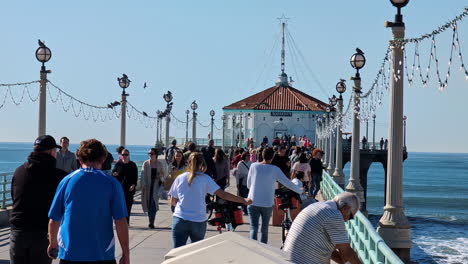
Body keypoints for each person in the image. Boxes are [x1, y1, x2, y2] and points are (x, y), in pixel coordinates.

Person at [48, 139, 129, 264]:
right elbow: (120, 221)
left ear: (79, 160)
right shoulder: (112, 183)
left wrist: (53, 244)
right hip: (102, 254)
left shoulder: (67, 181)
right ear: (102, 159)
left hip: (70, 254)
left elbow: (54, 219)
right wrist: (125, 253)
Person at [168, 152, 252, 248]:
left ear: (188, 162)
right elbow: (223, 194)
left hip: (180, 219)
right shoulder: (205, 179)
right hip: (198, 220)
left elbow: (173, 201)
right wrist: (244, 200)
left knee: (176, 253)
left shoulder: (180, 178)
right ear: (202, 164)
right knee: (196, 253)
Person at [10, 135, 67, 264]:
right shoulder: (58, 176)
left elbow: (14, 197)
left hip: (17, 232)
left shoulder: (19, 172)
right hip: (42, 232)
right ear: (51, 152)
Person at [283, 192, 361, 264]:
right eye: (350, 216)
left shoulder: (317, 206)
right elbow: (347, 253)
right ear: (345, 209)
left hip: (288, 259)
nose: (347, 220)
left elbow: (327, 251)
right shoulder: (334, 215)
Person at [247, 147, 302, 244]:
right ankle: (263, 250)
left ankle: (252, 251)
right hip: (267, 203)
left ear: (262, 155)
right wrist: (300, 190)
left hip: (252, 200)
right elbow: (287, 183)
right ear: (272, 157)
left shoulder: (253, 166)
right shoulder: (274, 169)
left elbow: (248, 184)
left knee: (253, 228)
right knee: (264, 230)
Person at [141, 148, 166, 229]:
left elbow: (163, 174)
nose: (150, 155)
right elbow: (143, 174)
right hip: (148, 186)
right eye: (149, 153)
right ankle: (150, 220)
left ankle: (152, 222)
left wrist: (160, 176)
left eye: (152, 153)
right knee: (148, 203)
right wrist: (144, 184)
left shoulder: (159, 164)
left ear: (156, 154)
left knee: (153, 203)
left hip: (156, 186)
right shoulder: (146, 163)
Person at [112, 149, 138, 224]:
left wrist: (133, 185)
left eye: (126, 155)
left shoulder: (132, 165)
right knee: (120, 205)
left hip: (129, 188)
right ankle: (121, 220)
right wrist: (114, 174)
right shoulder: (118, 164)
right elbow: (113, 172)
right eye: (123, 155)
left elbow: (135, 177)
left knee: (128, 205)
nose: (124, 156)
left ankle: (127, 221)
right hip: (120, 188)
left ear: (129, 155)